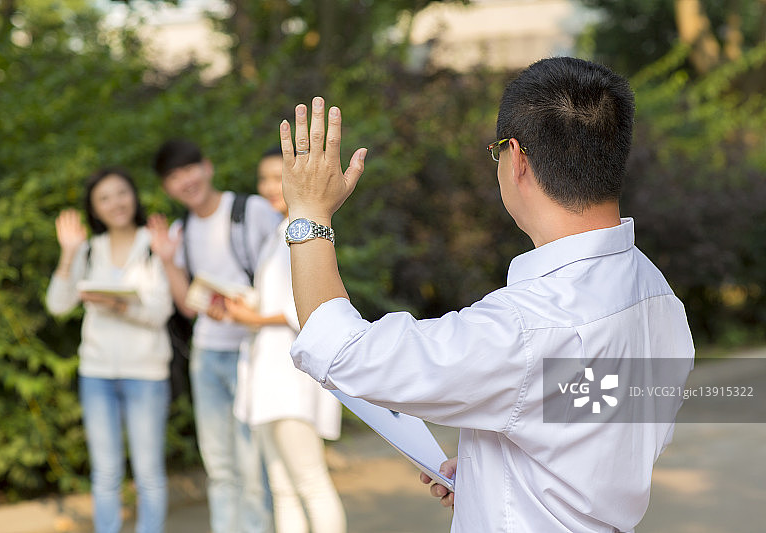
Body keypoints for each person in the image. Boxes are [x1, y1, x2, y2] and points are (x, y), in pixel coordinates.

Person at [277, 57, 695, 532]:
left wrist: (309, 213)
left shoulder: (526, 327)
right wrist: (494, 477)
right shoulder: (656, 294)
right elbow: (597, 427)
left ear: (516, 158)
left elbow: (342, 351)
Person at [147, 139, 281, 533]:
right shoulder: (181, 229)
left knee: (252, 461)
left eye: (188, 169)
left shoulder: (250, 210)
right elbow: (188, 306)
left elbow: (282, 273)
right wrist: (169, 261)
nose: (184, 180)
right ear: (166, 187)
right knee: (219, 464)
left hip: (251, 349)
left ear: (207, 167)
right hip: (207, 355)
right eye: (173, 176)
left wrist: (247, 308)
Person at [224, 147, 346, 533]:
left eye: (279, 177)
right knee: (282, 489)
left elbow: (311, 310)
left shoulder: (307, 233)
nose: (270, 187)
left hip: (291, 380)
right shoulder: (278, 233)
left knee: (310, 482)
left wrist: (254, 317)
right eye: (263, 178)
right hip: (268, 378)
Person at [45, 168, 173, 533]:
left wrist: (115, 305)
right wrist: (69, 253)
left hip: (147, 373)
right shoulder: (89, 249)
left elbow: (161, 311)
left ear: (133, 195)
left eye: (121, 193)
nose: (115, 203)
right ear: (94, 209)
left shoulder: (154, 242)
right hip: (97, 373)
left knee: (148, 472)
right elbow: (58, 304)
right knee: (105, 472)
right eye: (104, 198)